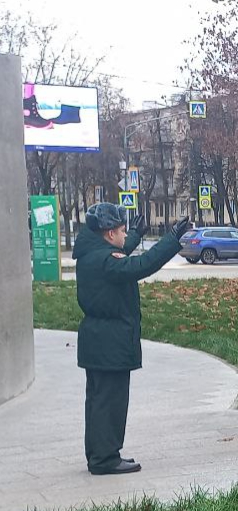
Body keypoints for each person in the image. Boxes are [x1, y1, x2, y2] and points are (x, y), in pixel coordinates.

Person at [74, 203, 190, 475]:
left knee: (98, 401)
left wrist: (137, 234)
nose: (125, 237)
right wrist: (172, 238)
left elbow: (121, 256)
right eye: (124, 231)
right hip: (110, 342)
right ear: (109, 233)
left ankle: (99, 454)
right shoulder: (104, 261)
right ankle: (105, 459)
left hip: (99, 340)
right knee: (110, 403)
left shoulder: (92, 253)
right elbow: (140, 265)